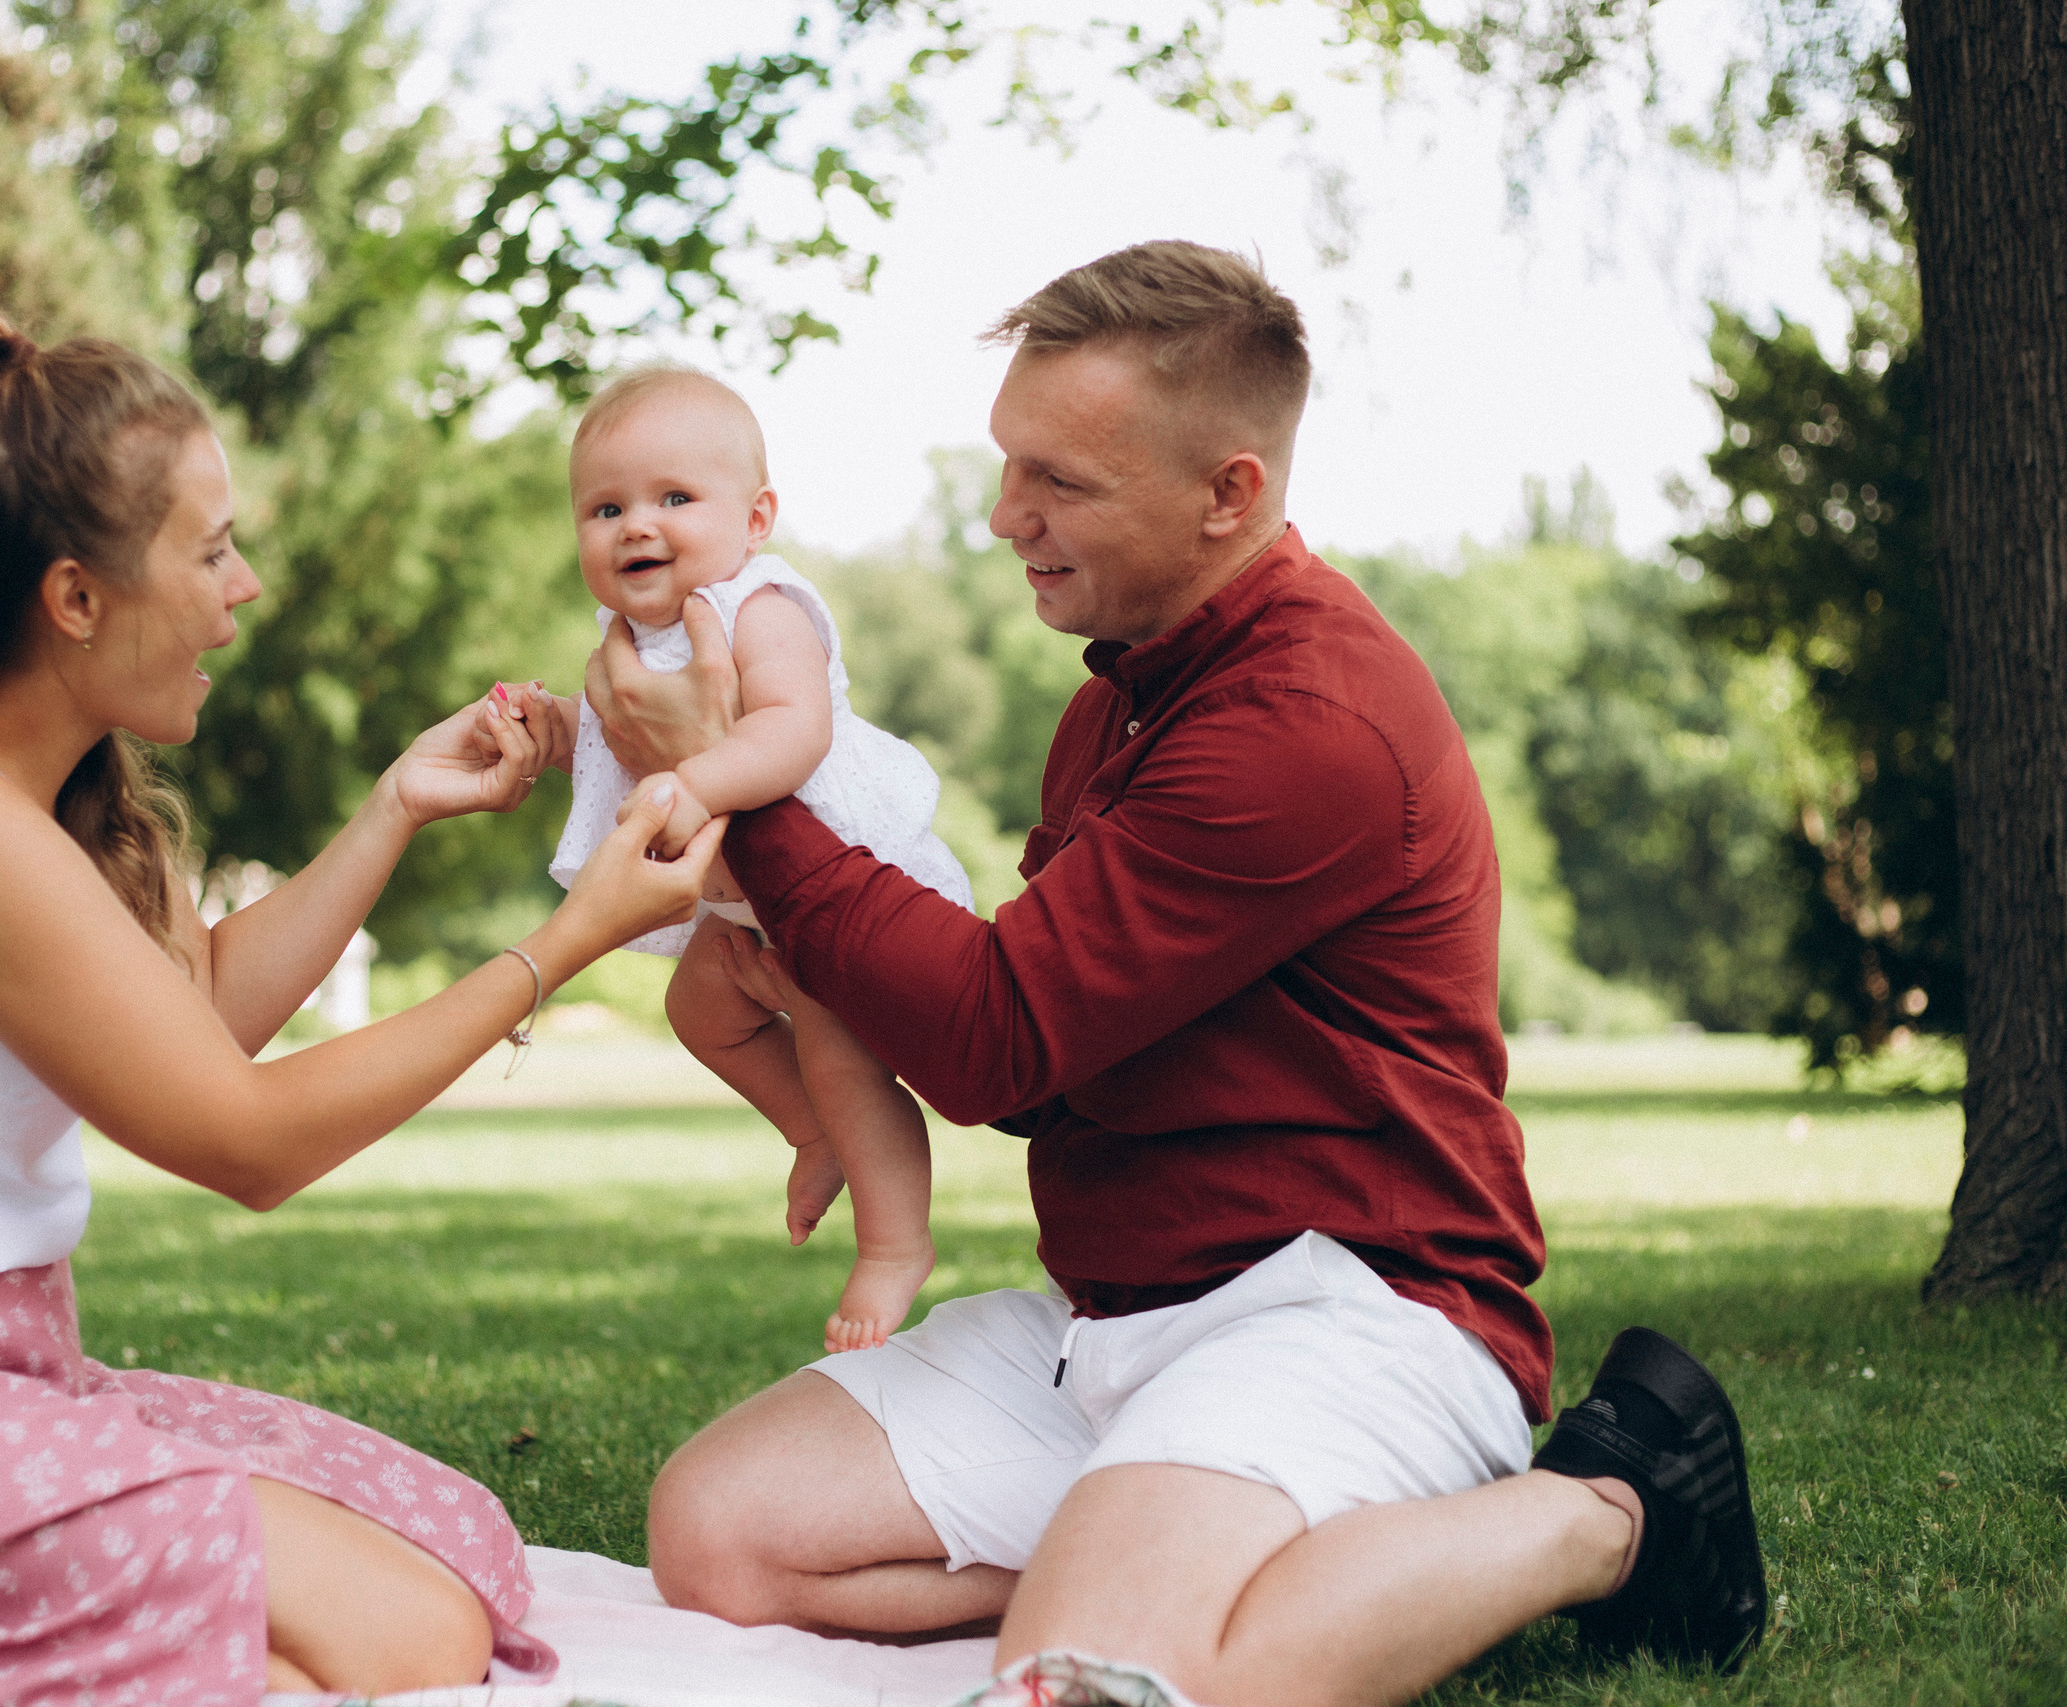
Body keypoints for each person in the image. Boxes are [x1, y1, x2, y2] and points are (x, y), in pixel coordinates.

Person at [592, 243, 1767, 1706]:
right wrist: (803, 978)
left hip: (1354, 1312)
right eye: (1008, 462)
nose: (1005, 513)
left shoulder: (1305, 719)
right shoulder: (1118, 697)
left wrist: (734, 797)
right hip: (1117, 1316)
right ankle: (1201, 1543)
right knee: (721, 1535)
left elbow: (994, 1039)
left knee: (1100, 1675)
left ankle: (1610, 1507)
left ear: (1231, 492)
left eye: (1060, 482)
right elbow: (1042, 1071)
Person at [0, 309, 723, 1706]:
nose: (243, 585)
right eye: (209, 550)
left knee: (452, 1539)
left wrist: (392, 810)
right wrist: (571, 942)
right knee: (408, 1639)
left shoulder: (25, 792)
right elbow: (243, 1140)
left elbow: (198, 1018)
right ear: (76, 596)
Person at [539, 366, 974, 1352]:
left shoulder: (761, 608)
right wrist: (550, 730)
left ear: (755, 517)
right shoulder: (624, 643)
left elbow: (793, 730)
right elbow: (618, 739)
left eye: (674, 499)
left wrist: (696, 782)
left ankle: (895, 1243)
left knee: (842, 1058)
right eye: (603, 509)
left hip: (850, 888)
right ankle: (808, 1131)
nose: (635, 526)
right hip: (748, 913)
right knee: (697, 1010)